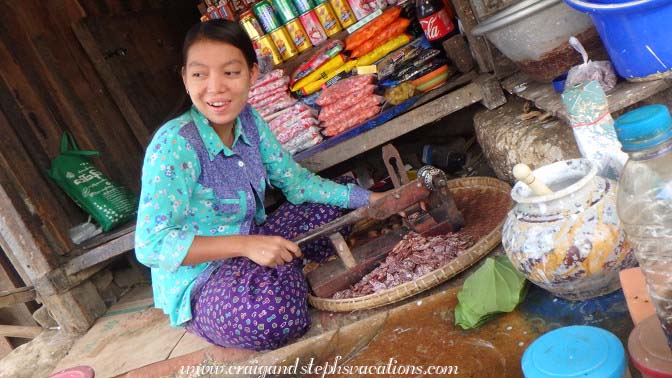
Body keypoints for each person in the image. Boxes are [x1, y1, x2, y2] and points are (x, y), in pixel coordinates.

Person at [134, 19, 386, 351]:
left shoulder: (249, 121)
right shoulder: (174, 145)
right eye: (199, 74)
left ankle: (282, 272)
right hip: (203, 282)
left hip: (255, 246)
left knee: (336, 203)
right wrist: (246, 246)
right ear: (185, 79)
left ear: (252, 74)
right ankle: (284, 277)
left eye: (230, 72)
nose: (215, 88)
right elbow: (151, 245)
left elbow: (297, 183)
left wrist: (372, 200)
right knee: (272, 317)